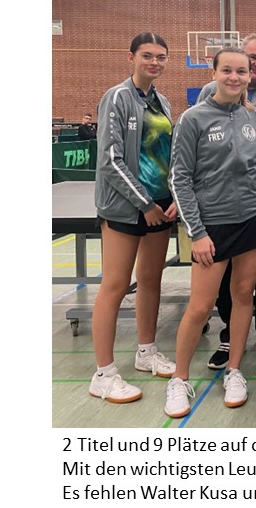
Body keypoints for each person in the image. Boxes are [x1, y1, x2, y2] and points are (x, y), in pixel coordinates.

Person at [164, 47, 256, 417]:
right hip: (211, 226)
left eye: (241, 71)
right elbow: (179, 179)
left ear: (249, 76)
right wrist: (196, 232)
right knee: (201, 306)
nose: (235, 77)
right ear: (214, 72)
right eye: (227, 70)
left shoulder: (254, 118)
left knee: (244, 295)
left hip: (253, 219)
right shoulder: (193, 119)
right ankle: (179, 379)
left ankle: (234, 370)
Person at [88, 33, 177, 404]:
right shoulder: (116, 97)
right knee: (115, 284)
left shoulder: (162, 101)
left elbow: (169, 155)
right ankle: (104, 374)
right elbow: (110, 160)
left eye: (160, 57)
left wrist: (172, 197)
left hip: (160, 204)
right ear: (131, 57)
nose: (154, 62)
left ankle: (146, 351)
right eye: (147, 55)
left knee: (151, 279)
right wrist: (144, 203)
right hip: (127, 207)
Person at [196, 34, 256, 373]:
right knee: (225, 278)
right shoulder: (211, 93)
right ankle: (228, 335)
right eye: (254, 58)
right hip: (219, 208)